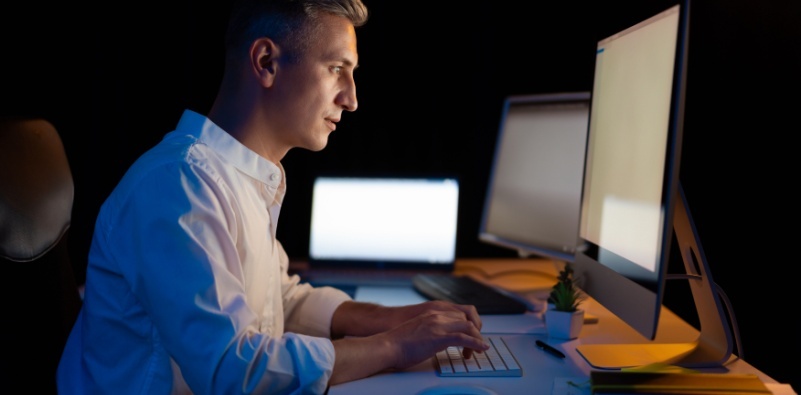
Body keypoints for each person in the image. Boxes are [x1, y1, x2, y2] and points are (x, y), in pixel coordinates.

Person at [57, 0, 489, 393]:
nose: (352, 98)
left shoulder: (237, 175)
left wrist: (389, 319)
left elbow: (276, 296)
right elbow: (233, 368)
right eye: (337, 68)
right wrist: (394, 346)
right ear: (266, 62)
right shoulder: (179, 185)